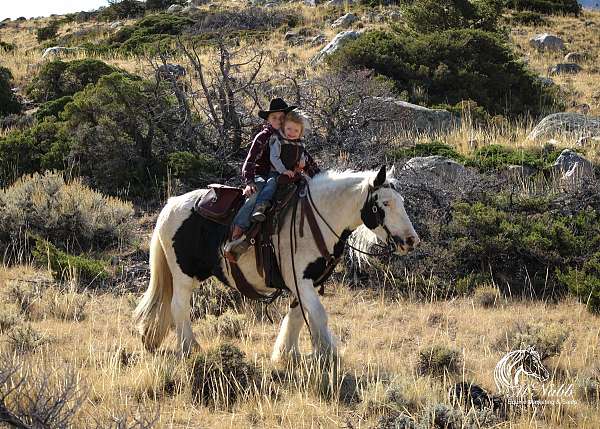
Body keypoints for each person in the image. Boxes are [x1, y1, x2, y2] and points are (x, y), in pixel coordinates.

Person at [224, 99, 319, 262]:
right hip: (260, 175)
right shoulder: (263, 136)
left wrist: (318, 176)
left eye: (281, 118)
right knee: (256, 193)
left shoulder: (290, 136)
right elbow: (250, 159)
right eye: (274, 118)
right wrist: (249, 181)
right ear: (268, 120)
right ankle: (239, 229)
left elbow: (306, 158)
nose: (278, 121)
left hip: (282, 176)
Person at [251, 110, 309, 223]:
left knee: (306, 183)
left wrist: (302, 163)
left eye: (296, 130)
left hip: (293, 172)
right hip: (276, 171)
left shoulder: (300, 143)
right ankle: (260, 206)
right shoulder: (278, 140)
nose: (292, 133)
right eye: (289, 129)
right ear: (283, 127)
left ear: (301, 132)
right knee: (271, 183)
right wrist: (283, 170)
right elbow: (274, 158)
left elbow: (302, 156)